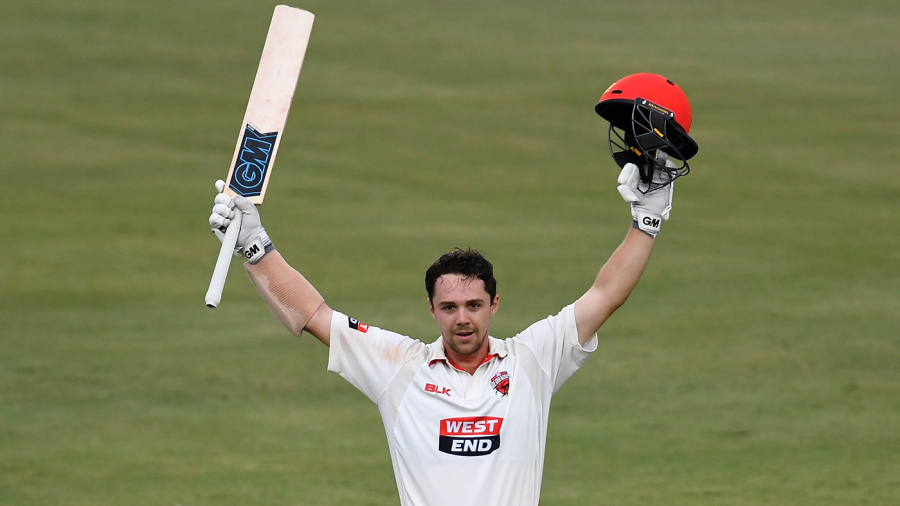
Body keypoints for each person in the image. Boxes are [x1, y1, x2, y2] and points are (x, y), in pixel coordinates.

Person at [207, 73, 698, 506]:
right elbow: (314, 316)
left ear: (494, 305)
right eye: (449, 307)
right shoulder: (398, 367)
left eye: (473, 305)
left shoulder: (532, 361)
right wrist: (256, 247)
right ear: (431, 310)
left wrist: (646, 223)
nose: (462, 318)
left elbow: (606, 295)